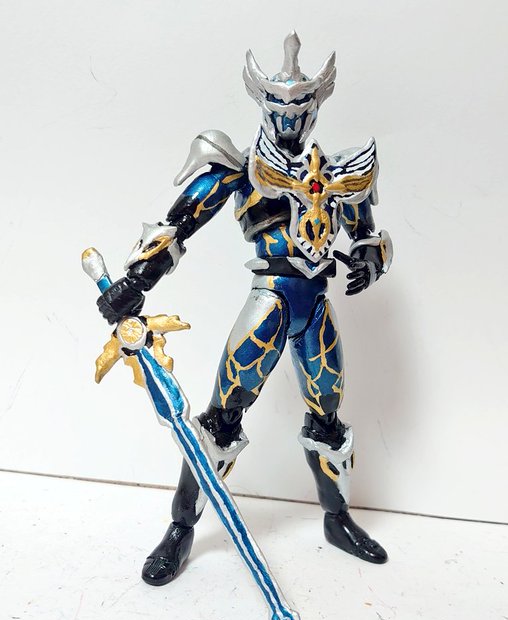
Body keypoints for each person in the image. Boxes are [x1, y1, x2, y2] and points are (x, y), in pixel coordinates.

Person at [97, 32, 393, 586]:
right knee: (220, 419)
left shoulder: (338, 173)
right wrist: (138, 279)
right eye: (279, 108)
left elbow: (366, 234)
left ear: (315, 108)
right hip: (270, 300)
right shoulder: (241, 164)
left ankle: (337, 519)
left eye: (300, 110)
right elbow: (181, 222)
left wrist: (370, 259)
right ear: (262, 103)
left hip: (316, 305)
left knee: (328, 416)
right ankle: (181, 528)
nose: (289, 119)